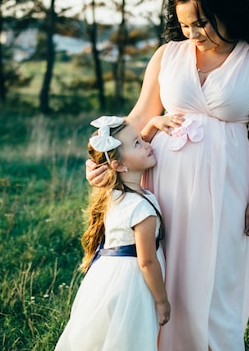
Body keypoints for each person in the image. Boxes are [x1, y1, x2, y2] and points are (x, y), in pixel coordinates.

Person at [85, 0, 249, 351]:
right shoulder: (167, 56)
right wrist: (102, 157)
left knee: (215, 274)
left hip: (225, 186)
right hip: (164, 183)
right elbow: (140, 117)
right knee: (165, 268)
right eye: (185, 25)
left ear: (227, 10)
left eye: (203, 22)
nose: (193, 34)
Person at [56, 116, 170, 351]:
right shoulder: (142, 209)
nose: (148, 144)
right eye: (138, 143)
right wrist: (162, 301)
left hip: (105, 278)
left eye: (142, 139)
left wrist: (150, 127)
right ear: (118, 165)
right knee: (128, 339)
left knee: (103, 336)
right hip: (133, 285)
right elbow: (147, 262)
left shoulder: (114, 196)